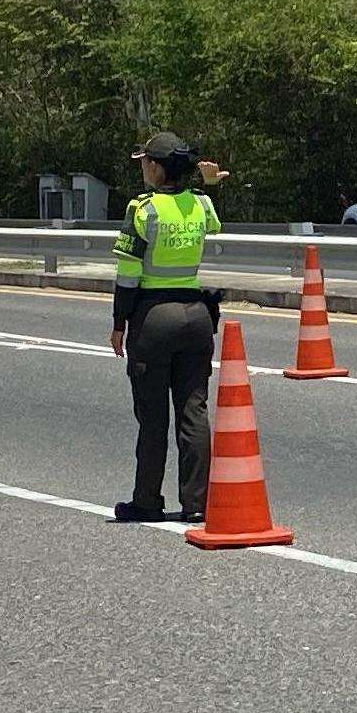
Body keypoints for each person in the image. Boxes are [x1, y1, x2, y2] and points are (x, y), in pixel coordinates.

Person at [109, 131, 224, 523]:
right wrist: (206, 183)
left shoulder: (142, 210)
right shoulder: (201, 204)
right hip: (196, 317)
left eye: (145, 162)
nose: (143, 167)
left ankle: (146, 501)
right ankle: (197, 504)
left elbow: (127, 275)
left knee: (153, 416)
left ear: (157, 168)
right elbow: (214, 222)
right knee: (194, 411)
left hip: (153, 319)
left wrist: (118, 324)